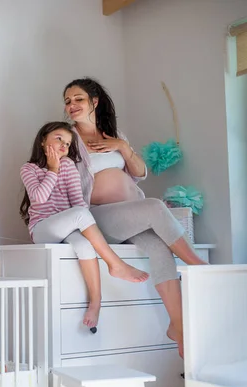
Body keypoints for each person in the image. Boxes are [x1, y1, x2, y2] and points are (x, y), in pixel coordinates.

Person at [62, 77, 208, 357]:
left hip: (128, 214)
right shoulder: (68, 138)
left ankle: (176, 327)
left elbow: (139, 174)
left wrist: (122, 146)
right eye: (68, 101)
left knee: (157, 247)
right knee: (154, 206)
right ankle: (197, 265)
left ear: (95, 101)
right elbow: (66, 183)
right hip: (97, 218)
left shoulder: (114, 135)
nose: (71, 105)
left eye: (78, 99)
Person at [19, 121, 149, 331]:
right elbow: (39, 198)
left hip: (69, 226)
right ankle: (115, 264)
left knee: (85, 245)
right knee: (80, 214)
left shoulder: (69, 166)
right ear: (43, 141)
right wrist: (52, 170)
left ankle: (95, 303)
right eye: (59, 139)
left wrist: (85, 228)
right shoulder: (30, 168)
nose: (64, 146)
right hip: (43, 228)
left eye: (68, 143)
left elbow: (78, 202)